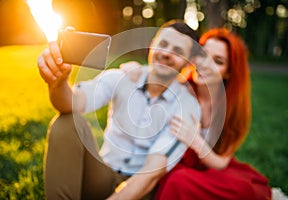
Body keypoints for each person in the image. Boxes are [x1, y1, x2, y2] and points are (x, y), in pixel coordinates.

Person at [37, 20, 201, 199]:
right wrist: (58, 83)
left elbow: (152, 173)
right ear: (152, 44)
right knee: (66, 123)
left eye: (178, 51)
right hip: (104, 174)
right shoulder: (122, 76)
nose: (167, 53)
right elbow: (71, 103)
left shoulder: (188, 106)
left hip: (139, 189)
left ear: (188, 63)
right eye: (163, 44)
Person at [122, 28, 271, 199]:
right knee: (178, 180)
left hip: (211, 168)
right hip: (173, 164)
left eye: (218, 61)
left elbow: (222, 162)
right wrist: (137, 70)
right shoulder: (180, 89)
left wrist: (195, 141)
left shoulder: (231, 108)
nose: (205, 64)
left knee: (244, 190)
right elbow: (153, 78)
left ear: (229, 72)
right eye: (203, 54)